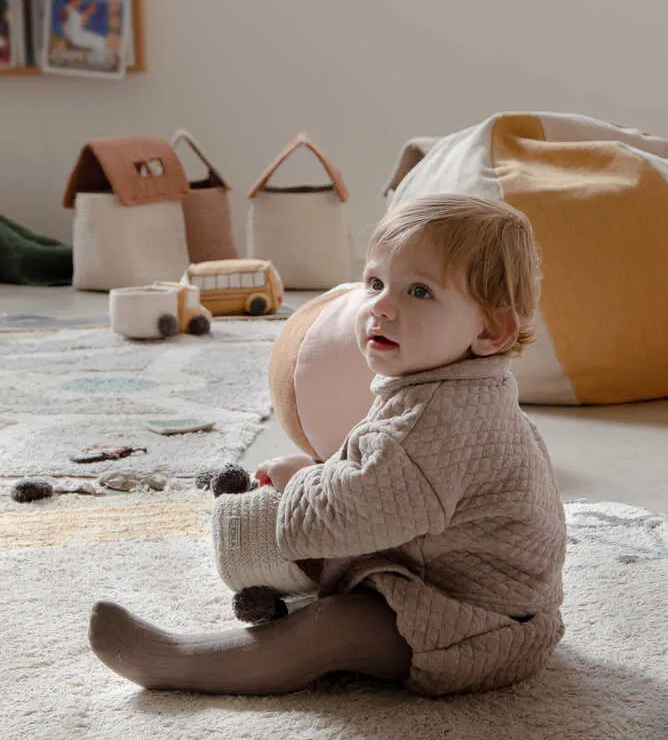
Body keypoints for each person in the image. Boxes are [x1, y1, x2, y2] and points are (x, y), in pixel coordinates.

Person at [90, 194, 566, 698]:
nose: (380, 305)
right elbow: (385, 475)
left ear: (490, 330)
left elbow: (351, 515)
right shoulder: (461, 388)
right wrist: (323, 468)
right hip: (483, 589)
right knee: (336, 560)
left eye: (419, 292)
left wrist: (304, 481)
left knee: (326, 628)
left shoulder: (438, 420)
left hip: (482, 626)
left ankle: (180, 664)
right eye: (376, 283)